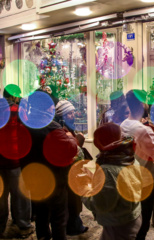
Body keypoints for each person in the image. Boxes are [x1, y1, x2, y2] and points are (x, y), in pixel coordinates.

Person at [23, 90, 78, 240]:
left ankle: (43, 237)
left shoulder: (26, 125)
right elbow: (71, 149)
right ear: (48, 107)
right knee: (59, 217)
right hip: (55, 178)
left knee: (41, 214)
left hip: (33, 177)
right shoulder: (52, 128)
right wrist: (70, 137)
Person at [82, 123, 142, 240]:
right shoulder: (129, 158)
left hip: (118, 223)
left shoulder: (108, 170)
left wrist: (85, 187)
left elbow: (100, 204)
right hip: (132, 216)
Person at [120, 90, 154, 240]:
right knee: (143, 223)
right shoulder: (144, 130)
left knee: (129, 220)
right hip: (144, 181)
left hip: (126, 178)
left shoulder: (122, 125)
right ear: (140, 103)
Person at [0, 85, 34, 238]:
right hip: (14, 158)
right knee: (20, 194)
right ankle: (23, 224)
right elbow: (26, 132)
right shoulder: (17, 110)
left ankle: (0, 226)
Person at [54, 100, 88, 235]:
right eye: (69, 113)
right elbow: (69, 151)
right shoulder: (61, 131)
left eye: (73, 112)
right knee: (72, 201)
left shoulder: (69, 129)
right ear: (62, 115)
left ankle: (75, 223)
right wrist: (78, 141)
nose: (73, 115)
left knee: (75, 200)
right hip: (67, 171)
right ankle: (73, 226)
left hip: (73, 170)